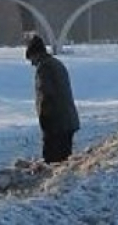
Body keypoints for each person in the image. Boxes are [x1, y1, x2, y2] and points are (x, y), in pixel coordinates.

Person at [25, 34, 80, 163]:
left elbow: (46, 95)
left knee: (52, 161)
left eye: (31, 59)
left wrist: (45, 122)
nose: (32, 63)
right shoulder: (57, 63)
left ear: (36, 54)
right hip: (67, 121)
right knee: (64, 162)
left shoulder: (44, 68)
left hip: (56, 124)